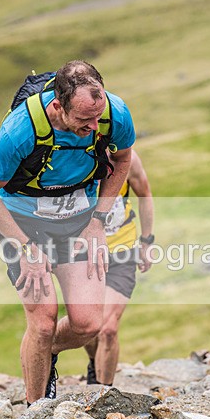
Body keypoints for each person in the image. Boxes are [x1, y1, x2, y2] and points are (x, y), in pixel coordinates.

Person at [0, 60, 136, 403]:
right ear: (57, 106)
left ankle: (44, 354)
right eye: (83, 120)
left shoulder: (114, 114)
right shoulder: (20, 130)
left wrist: (98, 221)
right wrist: (27, 248)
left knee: (89, 323)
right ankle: (34, 412)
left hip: (79, 223)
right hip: (24, 225)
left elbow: (122, 161)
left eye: (97, 117)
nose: (93, 128)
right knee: (43, 322)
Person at [84, 149, 154, 386]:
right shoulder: (75, 156)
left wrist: (146, 241)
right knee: (87, 326)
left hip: (123, 249)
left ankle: (104, 392)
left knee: (108, 328)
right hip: (85, 253)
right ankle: (95, 363)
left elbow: (145, 195)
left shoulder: (129, 159)